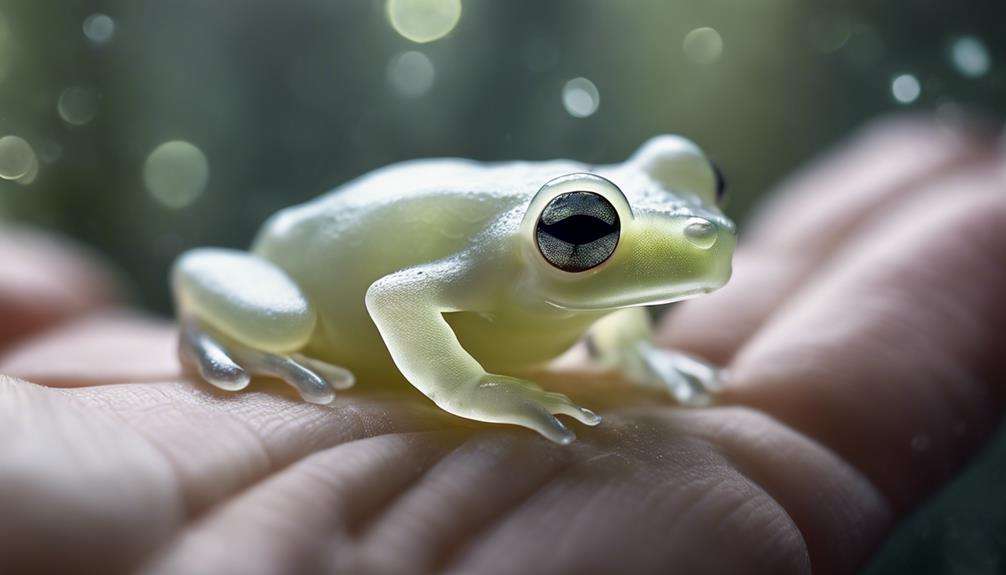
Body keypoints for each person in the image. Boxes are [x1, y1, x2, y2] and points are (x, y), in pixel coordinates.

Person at [0, 115, 1002, 574]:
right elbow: (397, 294)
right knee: (277, 319)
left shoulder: (552, 260)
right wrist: (475, 388)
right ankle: (227, 340)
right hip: (297, 273)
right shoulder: (500, 255)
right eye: (582, 233)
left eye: (701, 190)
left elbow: (595, 289)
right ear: (550, 233)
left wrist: (633, 349)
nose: (699, 225)